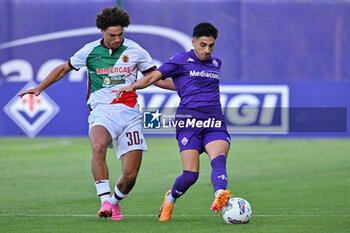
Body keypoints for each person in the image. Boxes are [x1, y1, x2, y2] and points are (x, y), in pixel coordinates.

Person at [18, 6, 174, 220]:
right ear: (102, 32)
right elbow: (64, 68)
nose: (117, 39)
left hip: (130, 115)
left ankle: (114, 202)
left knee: (130, 176)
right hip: (102, 111)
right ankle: (103, 202)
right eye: (112, 35)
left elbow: (157, 78)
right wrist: (39, 87)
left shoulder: (136, 50)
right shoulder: (90, 51)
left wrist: (185, 88)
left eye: (121, 34)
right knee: (98, 145)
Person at [116, 22, 232, 221]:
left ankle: (219, 195)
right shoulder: (181, 60)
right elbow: (156, 77)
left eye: (211, 46)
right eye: (203, 45)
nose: (207, 50)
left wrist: (185, 86)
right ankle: (170, 198)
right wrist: (134, 86)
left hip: (214, 121)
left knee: (219, 159)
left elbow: (189, 84)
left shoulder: (216, 63)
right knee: (190, 176)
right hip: (188, 123)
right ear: (193, 42)